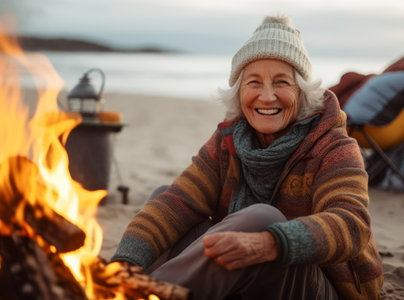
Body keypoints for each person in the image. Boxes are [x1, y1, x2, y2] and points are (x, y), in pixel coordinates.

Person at [112, 15, 384, 300]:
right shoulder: (228, 140)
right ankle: (121, 286)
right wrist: (123, 262)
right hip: (253, 276)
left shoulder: (333, 145)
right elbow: (177, 201)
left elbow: (352, 225)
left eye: (281, 83)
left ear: (302, 92)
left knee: (264, 218)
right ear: (239, 92)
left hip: (320, 285)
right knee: (165, 197)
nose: (267, 97)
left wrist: (271, 243)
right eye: (254, 83)